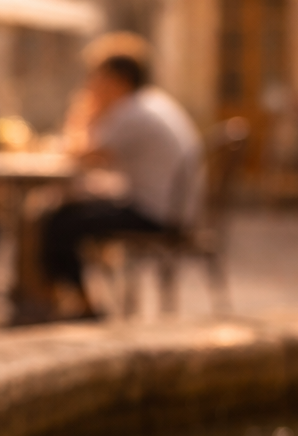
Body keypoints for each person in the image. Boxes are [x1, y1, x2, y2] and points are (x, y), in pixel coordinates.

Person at [39, 32, 205, 319]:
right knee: (67, 212)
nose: (91, 84)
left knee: (57, 220)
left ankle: (84, 305)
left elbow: (83, 155)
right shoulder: (151, 103)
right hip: (173, 208)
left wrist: (85, 108)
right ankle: (73, 300)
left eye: (96, 77)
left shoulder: (131, 112)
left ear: (116, 80)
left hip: (157, 213)